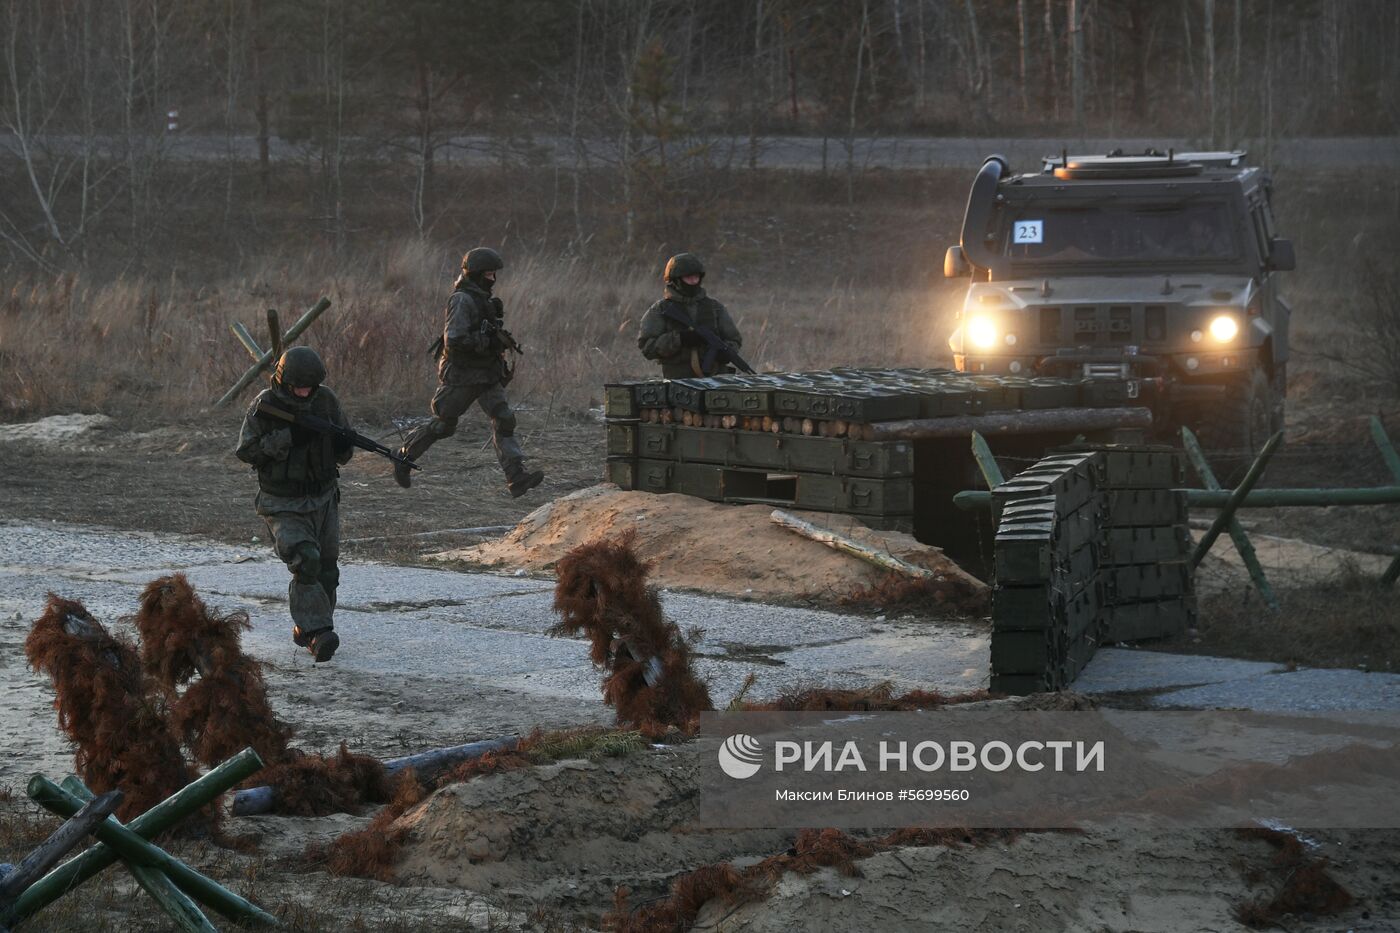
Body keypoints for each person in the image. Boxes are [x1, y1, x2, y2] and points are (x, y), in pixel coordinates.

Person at [394, 247, 544, 497]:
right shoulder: (461, 299)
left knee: (504, 418)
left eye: (494, 274)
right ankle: (404, 456)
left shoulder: (482, 298)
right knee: (444, 425)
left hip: (486, 373)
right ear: (474, 274)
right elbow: (454, 339)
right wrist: (485, 339)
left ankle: (516, 477)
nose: (492, 280)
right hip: (463, 375)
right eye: (488, 275)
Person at [234, 346, 351, 662]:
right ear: (284, 382)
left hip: (324, 498)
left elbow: (343, 448)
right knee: (306, 560)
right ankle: (317, 634)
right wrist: (288, 437)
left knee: (327, 572)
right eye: (298, 387)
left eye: (309, 387)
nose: (304, 392)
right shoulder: (265, 406)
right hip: (283, 501)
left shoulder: (325, 400)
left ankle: (308, 627)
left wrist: (343, 442)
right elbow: (246, 451)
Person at [637, 252, 744, 378]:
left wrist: (725, 351)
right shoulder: (660, 310)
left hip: (716, 378)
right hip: (678, 381)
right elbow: (647, 348)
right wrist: (680, 339)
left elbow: (734, 339)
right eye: (688, 277)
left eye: (696, 277)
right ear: (675, 280)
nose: (693, 281)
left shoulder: (715, 307)